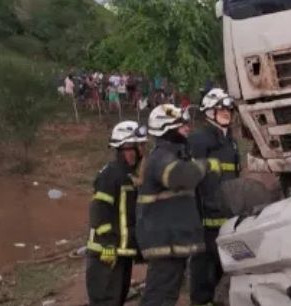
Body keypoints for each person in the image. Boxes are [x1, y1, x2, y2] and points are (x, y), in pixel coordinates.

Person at [136, 104, 215, 305]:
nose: (187, 128)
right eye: (181, 124)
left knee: (167, 297)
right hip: (165, 241)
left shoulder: (173, 155)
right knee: (159, 297)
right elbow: (183, 177)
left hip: (172, 241)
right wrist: (204, 165)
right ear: (166, 128)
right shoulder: (161, 157)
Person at [86, 121, 148, 306]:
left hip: (121, 253)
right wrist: (107, 243)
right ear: (127, 147)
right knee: (106, 301)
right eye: (140, 145)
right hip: (106, 254)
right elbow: (98, 210)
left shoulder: (130, 176)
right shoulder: (110, 175)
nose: (143, 150)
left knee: (117, 299)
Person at [188, 89, 240, 306]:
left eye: (229, 108)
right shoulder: (199, 139)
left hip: (228, 218)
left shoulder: (230, 142)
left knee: (221, 269)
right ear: (209, 111)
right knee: (203, 272)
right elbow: (192, 181)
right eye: (221, 108)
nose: (227, 112)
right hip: (205, 222)